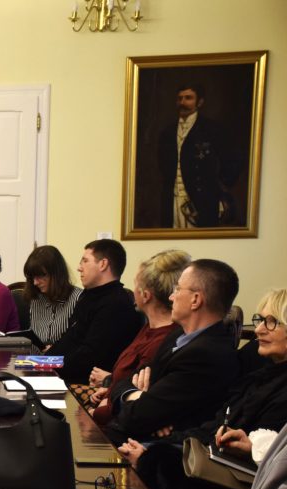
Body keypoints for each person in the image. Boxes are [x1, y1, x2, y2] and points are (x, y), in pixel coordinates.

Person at [119, 289, 287, 489]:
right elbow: (215, 426)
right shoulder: (260, 372)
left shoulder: (270, 383)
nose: (258, 329)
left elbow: (262, 460)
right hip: (215, 462)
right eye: (260, 320)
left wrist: (151, 456)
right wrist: (156, 445)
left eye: (272, 322)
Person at [106, 259, 240, 445]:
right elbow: (123, 383)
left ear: (195, 300)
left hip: (147, 449)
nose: (171, 297)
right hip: (128, 435)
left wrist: (143, 404)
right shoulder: (177, 335)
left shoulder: (206, 355)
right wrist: (138, 396)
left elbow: (136, 417)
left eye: (177, 289)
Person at [86, 249, 191, 423]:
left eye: (136, 285)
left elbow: (134, 403)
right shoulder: (149, 328)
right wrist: (110, 387)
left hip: (114, 423)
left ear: (145, 295)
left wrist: (95, 412)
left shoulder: (163, 341)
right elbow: (127, 381)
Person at [48, 239, 142, 384]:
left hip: (84, 383)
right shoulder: (90, 295)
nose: (79, 268)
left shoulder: (116, 304)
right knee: (16, 366)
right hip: (62, 372)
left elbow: (88, 358)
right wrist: (39, 362)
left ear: (103, 264)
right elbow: (70, 339)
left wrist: (46, 365)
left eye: (85, 261)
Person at [158, 83, 242, 228]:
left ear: (200, 102)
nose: (182, 102)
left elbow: (233, 160)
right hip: (173, 200)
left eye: (188, 98)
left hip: (203, 200)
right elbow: (163, 167)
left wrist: (218, 189)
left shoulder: (212, 129)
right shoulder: (167, 133)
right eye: (180, 98)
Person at [20, 245, 82, 346]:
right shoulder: (35, 298)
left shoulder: (79, 299)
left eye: (41, 275)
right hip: (35, 355)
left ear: (57, 273)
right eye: (32, 277)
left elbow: (82, 343)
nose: (35, 282)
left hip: (64, 355)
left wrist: (57, 349)